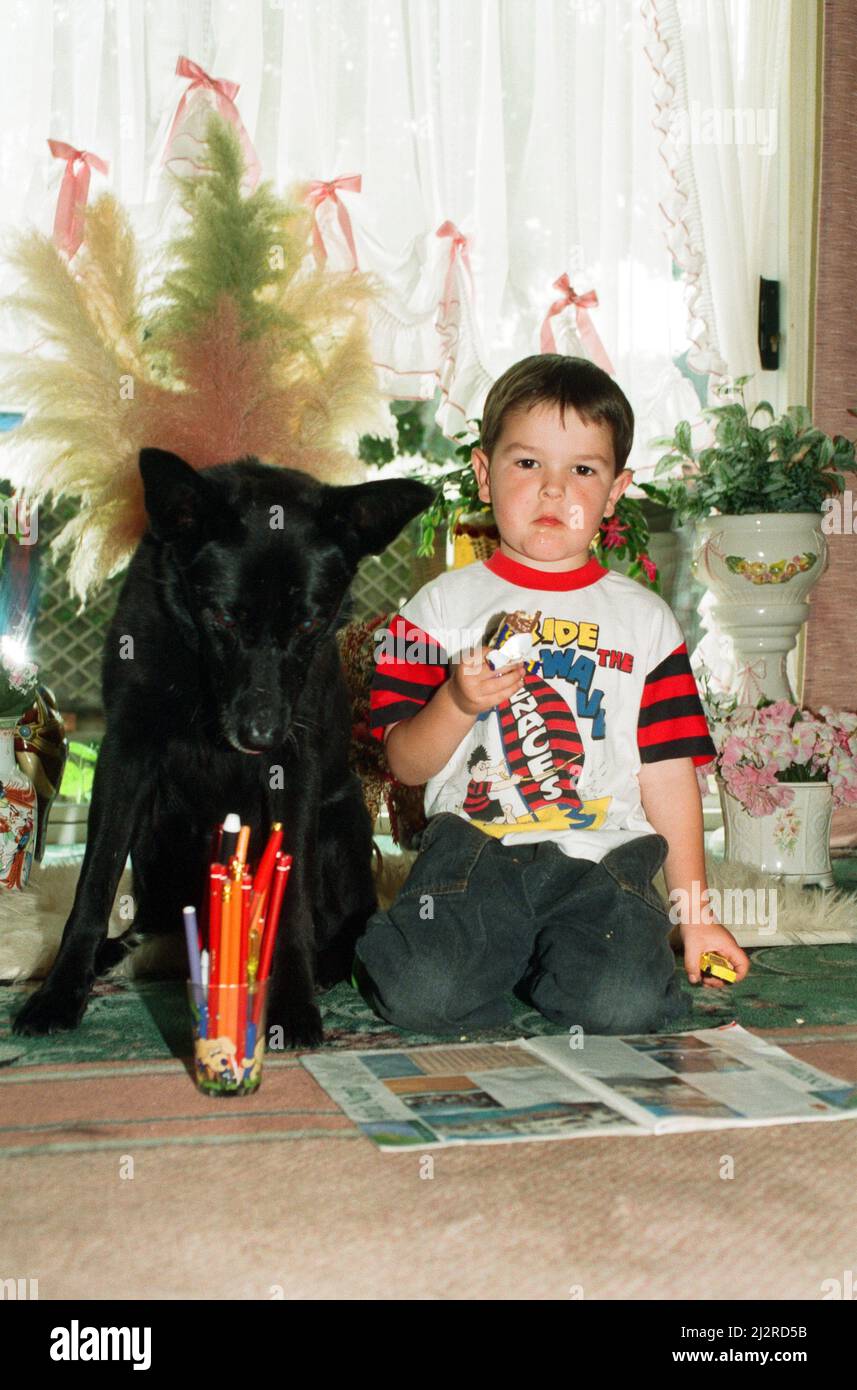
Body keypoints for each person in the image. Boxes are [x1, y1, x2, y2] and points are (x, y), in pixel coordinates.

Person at [357, 353, 750, 1036]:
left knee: (621, 1005)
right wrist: (456, 703)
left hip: (604, 861)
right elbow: (406, 766)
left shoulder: (648, 624)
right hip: (474, 848)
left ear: (617, 488)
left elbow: (668, 775)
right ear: (483, 473)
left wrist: (695, 915)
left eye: (582, 470)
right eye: (527, 464)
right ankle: (488, 952)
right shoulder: (434, 608)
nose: (553, 490)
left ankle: (537, 958)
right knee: (421, 992)